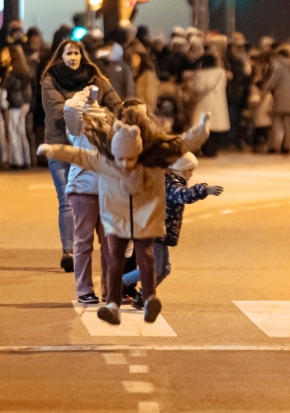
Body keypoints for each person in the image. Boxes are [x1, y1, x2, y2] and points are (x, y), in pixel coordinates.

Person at [37, 107, 211, 325]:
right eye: (120, 159)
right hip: (117, 219)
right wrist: (52, 150)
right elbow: (80, 156)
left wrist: (203, 128)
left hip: (144, 219)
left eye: (130, 159)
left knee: (146, 257)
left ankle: (149, 300)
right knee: (114, 259)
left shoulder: (154, 160)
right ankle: (112, 305)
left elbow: (184, 143)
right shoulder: (106, 160)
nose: (124, 164)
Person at [41, 39, 122, 272]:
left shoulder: (97, 78)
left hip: (89, 148)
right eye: (68, 53)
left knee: (92, 199)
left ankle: (100, 249)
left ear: (82, 55)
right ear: (61, 56)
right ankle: (69, 251)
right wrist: (88, 112)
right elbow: (59, 113)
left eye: (76, 52)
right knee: (66, 199)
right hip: (60, 147)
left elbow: (117, 106)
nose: (73, 56)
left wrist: (104, 116)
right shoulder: (51, 79)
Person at [123, 152, 223, 308]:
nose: (191, 174)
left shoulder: (170, 179)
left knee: (163, 269)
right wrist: (204, 190)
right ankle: (126, 284)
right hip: (156, 231)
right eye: (189, 170)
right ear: (181, 168)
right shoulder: (170, 182)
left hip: (158, 231)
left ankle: (138, 292)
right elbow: (183, 195)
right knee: (156, 269)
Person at [63, 88, 109, 304]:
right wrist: (85, 93)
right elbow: (71, 108)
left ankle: (111, 289)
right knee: (84, 242)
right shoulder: (78, 131)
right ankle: (84, 290)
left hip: (107, 193)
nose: (98, 121)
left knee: (110, 244)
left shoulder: (112, 134)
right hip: (82, 191)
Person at [262, 48, 290, 154]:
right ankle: (287, 146)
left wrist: (263, 89)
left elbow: (271, 84)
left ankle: (275, 146)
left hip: (280, 99)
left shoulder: (279, 69)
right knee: (287, 123)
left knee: (277, 123)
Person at [0, 45, 32, 170]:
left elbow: (5, 87)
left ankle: (16, 161)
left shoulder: (11, 71)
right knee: (20, 132)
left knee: (13, 131)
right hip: (21, 104)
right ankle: (26, 159)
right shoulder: (23, 70)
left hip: (13, 104)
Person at [193, 54, 229, 157]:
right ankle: (213, 151)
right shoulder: (221, 73)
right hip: (219, 103)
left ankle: (204, 150)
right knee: (216, 129)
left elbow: (197, 88)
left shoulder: (201, 74)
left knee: (204, 127)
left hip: (205, 103)